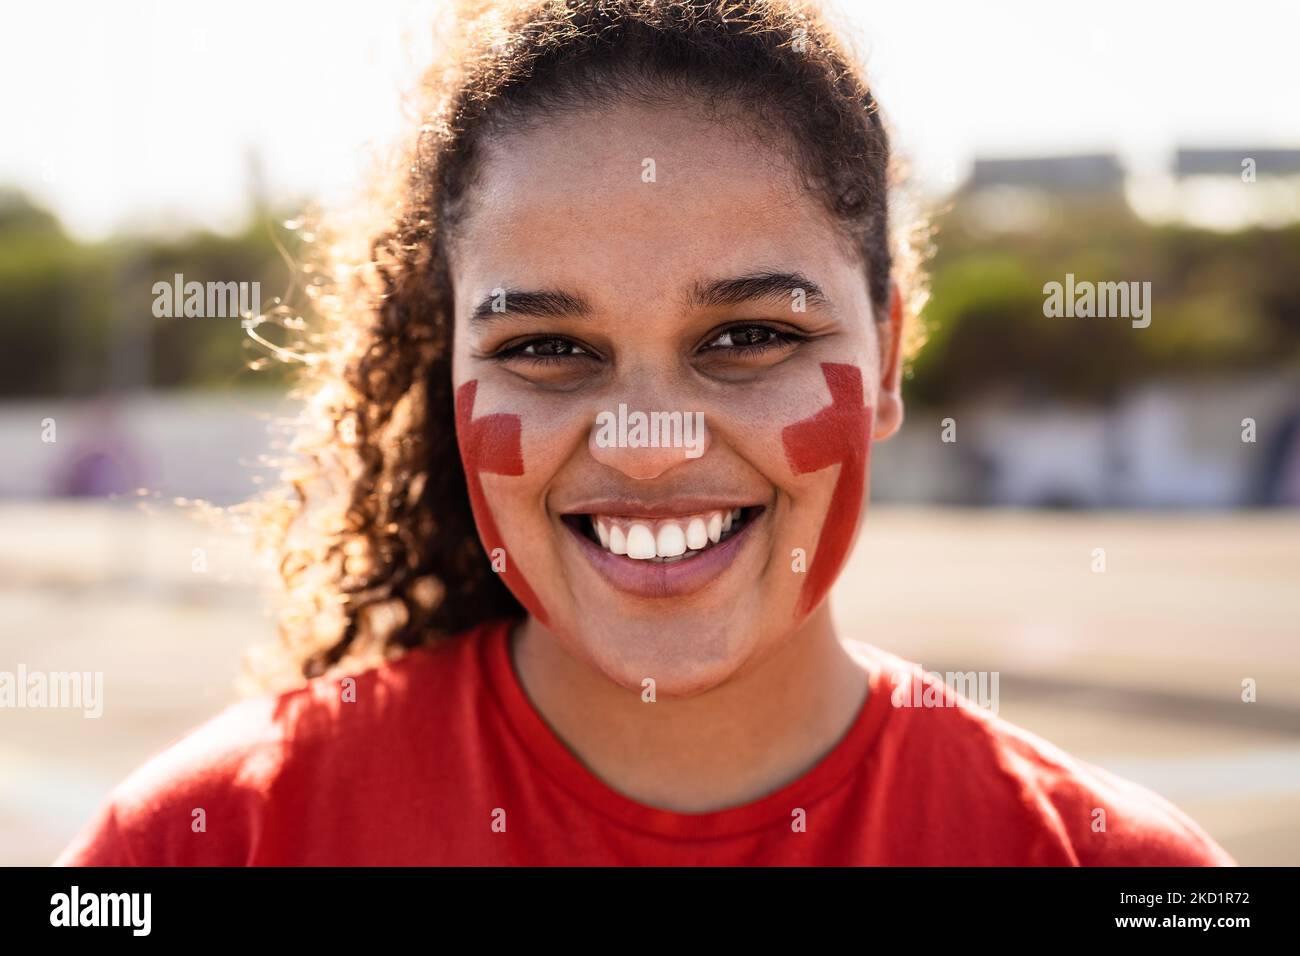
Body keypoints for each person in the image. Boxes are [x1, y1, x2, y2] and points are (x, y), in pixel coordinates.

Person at [58, 0, 1234, 866]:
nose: (649, 441)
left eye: (748, 336)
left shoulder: (1117, 867)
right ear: (446, 367)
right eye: (545, 349)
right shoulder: (204, 840)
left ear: (886, 349)